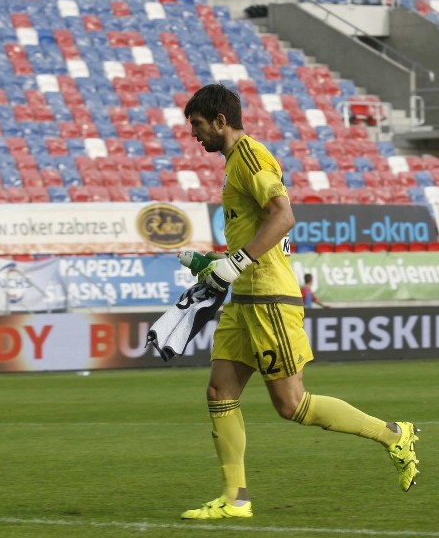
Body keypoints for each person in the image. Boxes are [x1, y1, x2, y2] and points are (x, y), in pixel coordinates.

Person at [179, 84, 419, 521]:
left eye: (196, 125)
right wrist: (215, 264)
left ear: (219, 121)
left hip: (269, 295)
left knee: (292, 405)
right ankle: (236, 499)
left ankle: (393, 435)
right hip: (245, 296)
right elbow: (255, 236)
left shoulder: (250, 156)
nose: (194, 135)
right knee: (219, 391)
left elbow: (284, 215)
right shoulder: (234, 163)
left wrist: (235, 263)